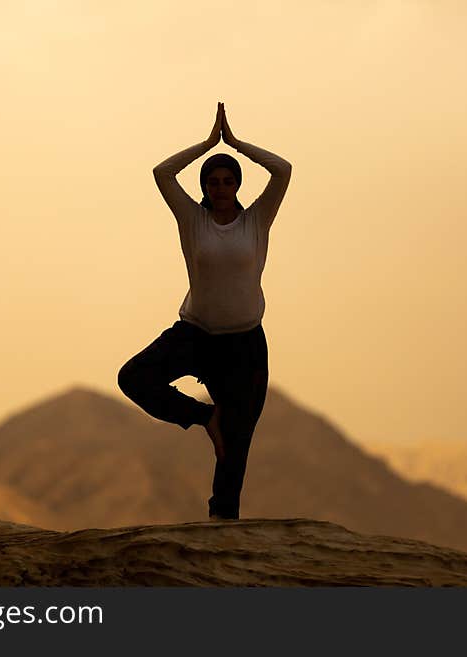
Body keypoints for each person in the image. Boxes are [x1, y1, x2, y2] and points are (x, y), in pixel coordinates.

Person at [117, 102, 292, 520]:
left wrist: (234, 143)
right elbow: (162, 173)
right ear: (204, 186)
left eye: (228, 180)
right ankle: (204, 417)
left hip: (245, 344)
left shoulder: (257, 220)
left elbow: (283, 170)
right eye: (212, 181)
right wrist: (207, 144)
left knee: (237, 443)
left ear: (237, 185)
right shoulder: (192, 219)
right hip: (194, 335)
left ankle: (221, 522)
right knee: (133, 377)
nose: (220, 187)